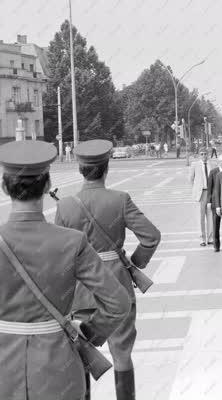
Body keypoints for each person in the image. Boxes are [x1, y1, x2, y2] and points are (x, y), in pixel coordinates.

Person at [0, 141, 130, 400]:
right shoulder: (72, 241)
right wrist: (88, 333)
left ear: (5, 188)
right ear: (47, 186)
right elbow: (118, 303)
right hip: (58, 371)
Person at [55, 139, 160, 400]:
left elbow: (60, 255)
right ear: (106, 167)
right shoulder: (120, 199)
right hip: (116, 284)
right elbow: (151, 236)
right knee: (122, 353)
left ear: (80, 169)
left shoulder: (66, 206)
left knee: (80, 352)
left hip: (80, 290)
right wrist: (134, 264)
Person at [189, 148, 214, 246]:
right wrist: (195, 191)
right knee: (201, 217)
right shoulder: (195, 165)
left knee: (210, 216)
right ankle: (202, 239)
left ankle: (210, 238)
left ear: (208, 155)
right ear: (199, 155)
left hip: (210, 192)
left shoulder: (212, 165)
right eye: (202, 154)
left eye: (205, 154)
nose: (204, 156)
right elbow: (191, 179)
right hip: (201, 193)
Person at [207, 154, 222, 252]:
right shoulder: (213, 172)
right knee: (216, 224)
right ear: (219, 162)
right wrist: (209, 201)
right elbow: (210, 188)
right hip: (215, 202)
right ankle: (216, 245)